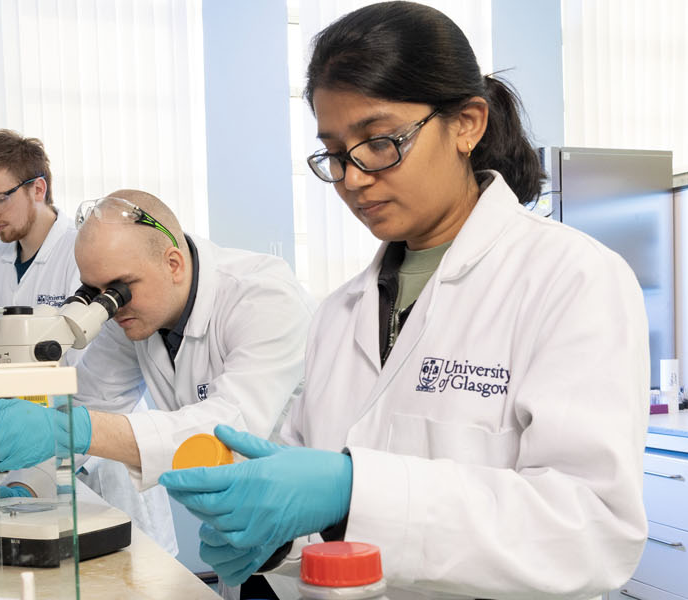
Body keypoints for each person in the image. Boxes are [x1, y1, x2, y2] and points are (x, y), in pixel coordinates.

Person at [157, 3, 650, 598]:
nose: (354, 178)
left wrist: (354, 488)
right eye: (336, 153)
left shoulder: (571, 278)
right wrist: (276, 536)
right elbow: (321, 502)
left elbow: (590, 530)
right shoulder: (341, 311)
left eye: (380, 141)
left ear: (467, 123)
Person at [0, 189, 315, 562]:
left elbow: (229, 431)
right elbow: (92, 402)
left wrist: (70, 430)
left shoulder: (264, 299)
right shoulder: (132, 316)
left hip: (313, 536)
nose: (109, 306)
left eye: (119, 289)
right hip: (242, 534)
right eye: (95, 292)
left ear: (173, 264)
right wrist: (26, 484)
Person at [0, 130, 176, 554]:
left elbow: (108, 380)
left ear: (38, 188)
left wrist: (56, 436)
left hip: (102, 453)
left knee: (136, 572)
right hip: (31, 451)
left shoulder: (86, 255)